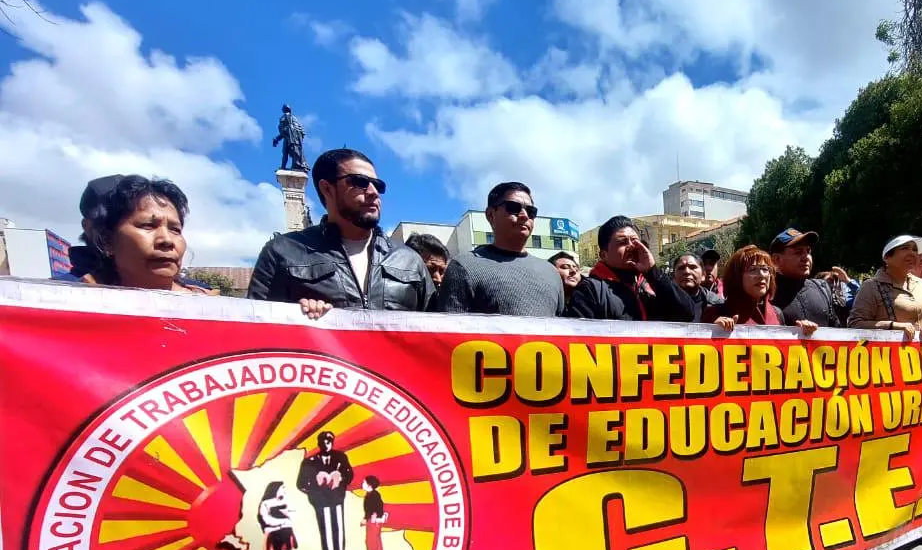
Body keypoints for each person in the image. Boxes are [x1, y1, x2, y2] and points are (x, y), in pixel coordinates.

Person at [248, 149, 433, 318]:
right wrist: (297, 317)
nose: (373, 192)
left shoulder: (409, 260)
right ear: (327, 188)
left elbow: (440, 333)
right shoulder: (282, 253)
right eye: (360, 182)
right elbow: (257, 329)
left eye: (378, 185)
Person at [437, 182, 565, 317]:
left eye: (531, 211)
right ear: (491, 215)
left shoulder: (551, 272)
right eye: (513, 208)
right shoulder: (464, 266)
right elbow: (452, 332)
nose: (524, 215)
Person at [77, 175, 213, 294]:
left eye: (175, 229)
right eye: (148, 226)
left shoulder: (214, 309)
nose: (167, 240)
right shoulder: (74, 303)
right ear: (108, 241)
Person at [570, 216, 694, 321]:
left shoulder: (652, 282)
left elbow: (687, 314)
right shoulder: (589, 290)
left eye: (635, 240)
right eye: (622, 242)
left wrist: (653, 271)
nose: (631, 246)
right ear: (603, 254)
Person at [702, 245, 818, 335]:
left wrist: (802, 332)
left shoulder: (777, 313)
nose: (761, 275)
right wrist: (712, 331)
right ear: (736, 277)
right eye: (752, 270)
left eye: (765, 269)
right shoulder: (715, 313)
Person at [851, 236, 922, 341]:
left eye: (914, 250)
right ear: (887, 257)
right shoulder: (871, 286)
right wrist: (892, 326)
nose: (912, 253)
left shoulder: (921, 284)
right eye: (905, 248)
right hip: (886, 355)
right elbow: (855, 324)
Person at [296, 431, 354, 550]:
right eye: (323, 441)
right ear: (319, 443)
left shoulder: (341, 457)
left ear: (332, 442)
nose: (326, 444)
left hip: (336, 499)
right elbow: (301, 484)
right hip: (321, 502)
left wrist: (339, 480)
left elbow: (349, 475)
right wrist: (315, 487)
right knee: (326, 533)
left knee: (338, 530)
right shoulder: (309, 461)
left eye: (329, 441)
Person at [54, 174, 125, 282]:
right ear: (86, 226)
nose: (119, 231)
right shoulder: (55, 291)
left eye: (146, 225)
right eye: (109, 222)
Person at [769, 228, 840, 327]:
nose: (806, 257)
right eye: (798, 252)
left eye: (808, 251)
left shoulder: (822, 288)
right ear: (776, 259)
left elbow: (836, 331)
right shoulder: (765, 293)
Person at [257, 482, 296, 550]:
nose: (284, 489)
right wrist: (281, 522)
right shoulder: (265, 503)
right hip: (275, 532)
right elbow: (265, 519)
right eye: (282, 487)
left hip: (287, 531)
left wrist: (288, 517)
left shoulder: (285, 501)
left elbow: (292, 513)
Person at [673, 253, 723, 320]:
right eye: (681, 268)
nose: (687, 271)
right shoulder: (661, 304)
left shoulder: (717, 304)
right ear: (674, 276)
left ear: (703, 275)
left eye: (693, 267)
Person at [361, 475, 388, 550]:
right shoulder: (372, 494)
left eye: (364, 482)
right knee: (376, 538)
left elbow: (376, 507)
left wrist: (370, 517)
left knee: (370, 540)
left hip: (373, 520)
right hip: (374, 520)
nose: (362, 484)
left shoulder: (373, 495)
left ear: (369, 485)